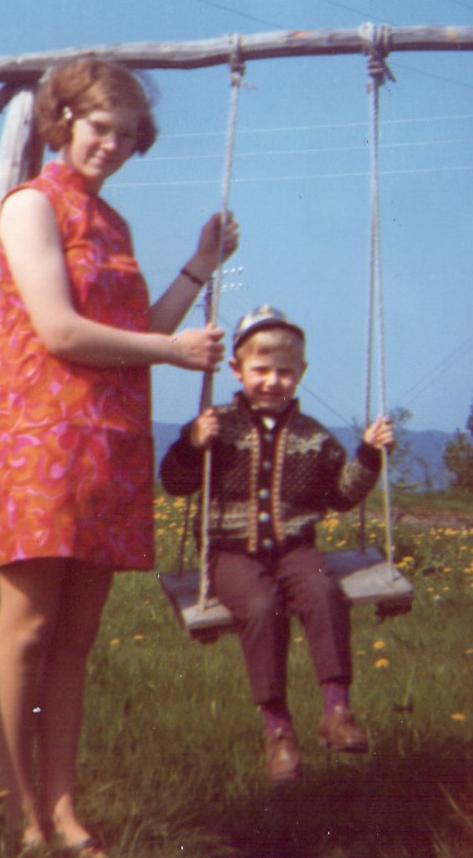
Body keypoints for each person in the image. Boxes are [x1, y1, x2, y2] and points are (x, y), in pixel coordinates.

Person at [0, 55, 238, 858]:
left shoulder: (114, 223)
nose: (112, 146)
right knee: (29, 628)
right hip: (43, 438)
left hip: (111, 444)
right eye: (101, 128)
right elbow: (61, 331)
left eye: (127, 136)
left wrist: (199, 268)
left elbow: (138, 332)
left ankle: (64, 811)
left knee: (76, 638)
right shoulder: (30, 206)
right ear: (64, 120)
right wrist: (171, 351)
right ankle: (23, 817)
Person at [159, 305, 394, 785]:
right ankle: (278, 730)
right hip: (229, 553)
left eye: (284, 372)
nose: (272, 381)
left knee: (323, 592)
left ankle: (337, 710)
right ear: (237, 369)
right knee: (262, 606)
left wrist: (369, 454)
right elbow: (176, 484)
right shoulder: (216, 425)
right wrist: (190, 444)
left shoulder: (314, 437)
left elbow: (342, 495)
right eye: (261, 370)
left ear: (301, 373)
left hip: (294, 548)